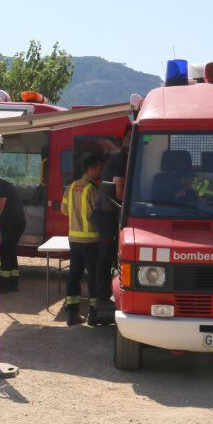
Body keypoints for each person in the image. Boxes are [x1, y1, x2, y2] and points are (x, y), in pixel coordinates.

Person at [91, 126, 130, 325]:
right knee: (105, 258)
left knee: (108, 257)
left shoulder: (121, 159)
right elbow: (118, 190)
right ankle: (102, 298)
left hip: (109, 213)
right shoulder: (120, 161)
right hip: (107, 214)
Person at [60, 154, 103, 326]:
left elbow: (64, 210)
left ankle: (72, 313)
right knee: (93, 276)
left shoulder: (70, 187)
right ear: (91, 170)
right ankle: (93, 314)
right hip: (91, 241)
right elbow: (98, 216)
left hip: (74, 239)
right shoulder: (93, 189)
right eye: (99, 169)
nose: (100, 172)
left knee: (74, 275)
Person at [0, 174, 26, 292]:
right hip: (10, 223)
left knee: (5, 251)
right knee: (11, 251)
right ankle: (13, 283)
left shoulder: (3, 186)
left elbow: (0, 208)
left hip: (14, 223)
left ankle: (4, 285)